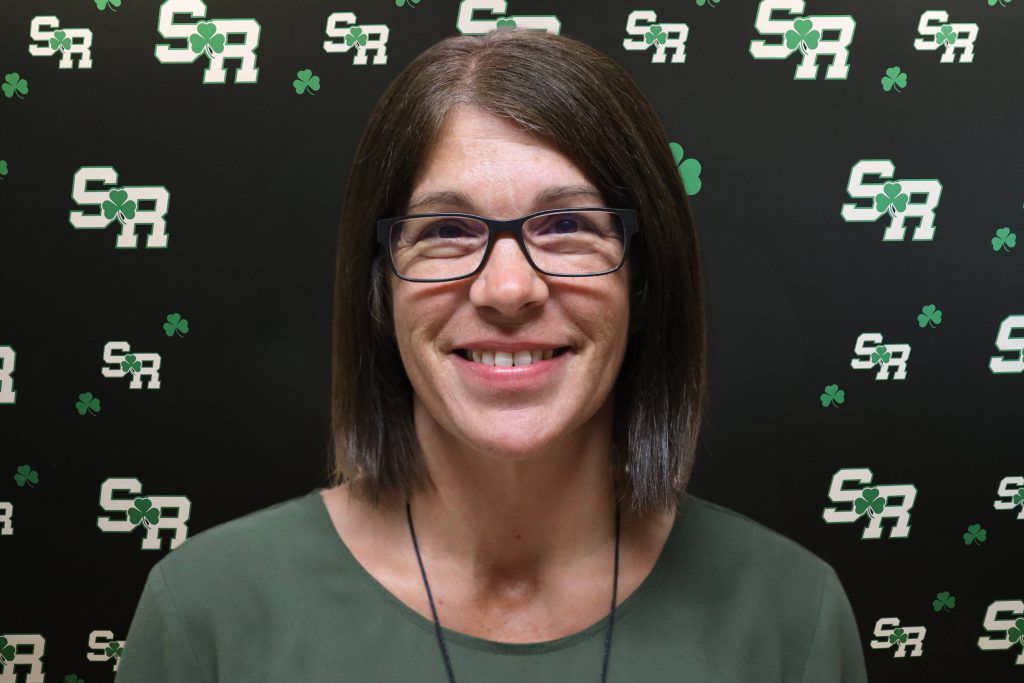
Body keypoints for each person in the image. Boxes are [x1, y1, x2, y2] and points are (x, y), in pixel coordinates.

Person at [114, 28, 868, 682]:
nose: (508, 287)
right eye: (446, 232)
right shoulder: (205, 614)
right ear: (380, 291)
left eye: (569, 224)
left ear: (645, 281)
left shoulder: (791, 619)